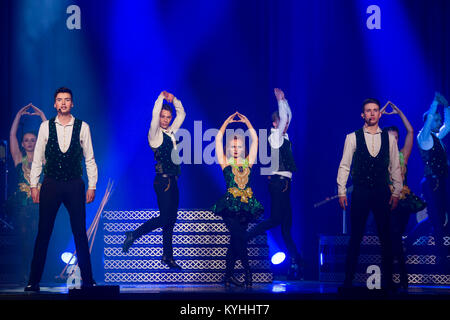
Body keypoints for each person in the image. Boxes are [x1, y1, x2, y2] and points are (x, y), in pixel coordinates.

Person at [25, 87, 98, 292]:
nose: (63, 103)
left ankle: (88, 279)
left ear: (72, 104)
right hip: (51, 183)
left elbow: (90, 158)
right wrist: (34, 184)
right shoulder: (45, 127)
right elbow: (38, 157)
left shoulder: (83, 127)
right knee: (43, 233)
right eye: (60, 100)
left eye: (67, 100)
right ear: (55, 104)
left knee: (79, 233)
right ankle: (33, 280)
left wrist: (92, 185)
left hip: (75, 184)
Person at [337, 98, 403, 291]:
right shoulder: (352, 137)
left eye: (375, 110)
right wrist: (342, 190)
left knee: (386, 237)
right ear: (363, 115)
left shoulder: (389, 139)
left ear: (379, 114)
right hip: (361, 192)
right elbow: (345, 165)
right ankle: (348, 281)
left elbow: (395, 167)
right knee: (356, 236)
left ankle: (389, 281)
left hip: (382, 191)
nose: (372, 113)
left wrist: (397, 192)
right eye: (368, 111)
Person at [122, 91, 185, 270]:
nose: (165, 120)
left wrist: (174, 100)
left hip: (173, 180)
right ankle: (134, 235)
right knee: (165, 217)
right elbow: (154, 114)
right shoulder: (155, 135)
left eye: (167, 117)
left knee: (170, 220)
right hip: (162, 181)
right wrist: (160, 98)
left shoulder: (171, 132)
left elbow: (182, 114)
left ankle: (167, 256)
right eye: (162, 117)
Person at [245, 88, 303, 280]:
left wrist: (284, 100)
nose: (285, 125)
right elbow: (286, 118)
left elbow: (289, 117)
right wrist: (280, 102)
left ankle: (297, 264)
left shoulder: (284, 136)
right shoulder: (274, 136)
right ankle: (244, 238)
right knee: (276, 220)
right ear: (275, 123)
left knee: (286, 226)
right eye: (281, 122)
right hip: (278, 183)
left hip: (285, 184)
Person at [211, 112, 263, 287]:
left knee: (235, 242)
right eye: (232, 146)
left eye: (239, 146)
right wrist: (226, 122)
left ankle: (228, 277)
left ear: (243, 148)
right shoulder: (225, 163)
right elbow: (218, 139)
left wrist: (247, 122)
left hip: (246, 206)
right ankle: (249, 273)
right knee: (239, 238)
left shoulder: (249, 162)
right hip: (229, 206)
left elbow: (255, 140)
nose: (235, 149)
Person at [381, 101, 426, 290]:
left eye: (395, 138)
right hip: (387, 201)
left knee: (396, 238)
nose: (394, 141)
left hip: (404, 202)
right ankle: (397, 279)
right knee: (392, 240)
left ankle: (394, 280)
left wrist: (400, 113)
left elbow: (411, 132)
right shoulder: (379, 157)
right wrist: (378, 116)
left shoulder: (402, 155)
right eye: (390, 138)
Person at [8, 103, 47, 283]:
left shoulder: (43, 158)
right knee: (24, 239)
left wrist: (42, 116)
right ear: (23, 144)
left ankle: (38, 273)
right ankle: (25, 272)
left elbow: (50, 137)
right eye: (27, 140)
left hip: (40, 204)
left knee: (38, 238)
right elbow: (11, 136)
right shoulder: (18, 158)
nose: (30, 143)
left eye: (33, 140)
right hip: (23, 207)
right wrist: (18, 115)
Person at [417, 92, 450, 270]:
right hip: (431, 183)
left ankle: (412, 241)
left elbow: (449, 124)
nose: (439, 122)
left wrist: (446, 107)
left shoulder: (437, 138)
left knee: (438, 219)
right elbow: (430, 118)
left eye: (439, 120)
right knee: (437, 221)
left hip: (440, 182)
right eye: (436, 120)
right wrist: (435, 103)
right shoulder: (424, 137)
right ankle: (441, 259)